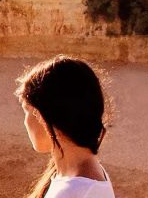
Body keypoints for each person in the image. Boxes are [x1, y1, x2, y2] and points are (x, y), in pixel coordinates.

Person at [15, 55, 114, 198]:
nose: (25, 122)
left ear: (43, 116)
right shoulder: (89, 171)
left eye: (26, 111)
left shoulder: (72, 192)